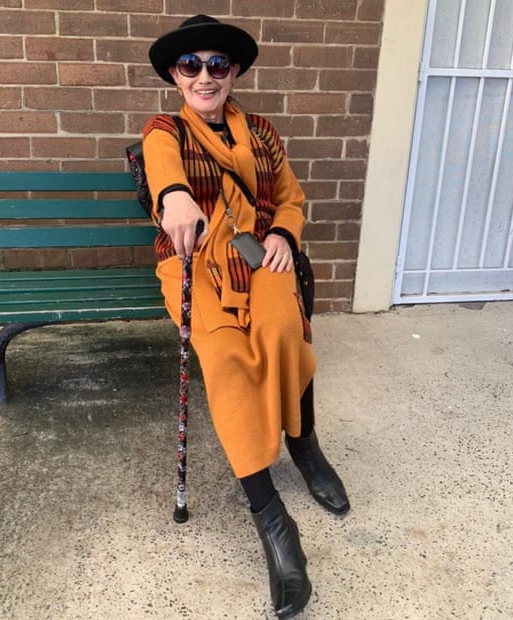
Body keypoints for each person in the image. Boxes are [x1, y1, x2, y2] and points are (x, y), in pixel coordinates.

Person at [142, 15, 350, 619]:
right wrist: (175, 198)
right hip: (193, 264)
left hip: (260, 255)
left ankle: (303, 444)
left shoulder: (261, 130)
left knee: (284, 330)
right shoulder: (164, 131)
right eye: (191, 65)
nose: (205, 76)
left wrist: (285, 229)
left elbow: (289, 194)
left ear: (232, 72)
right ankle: (275, 526)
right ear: (176, 76)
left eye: (217, 65)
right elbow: (165, 178)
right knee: (229, 360)